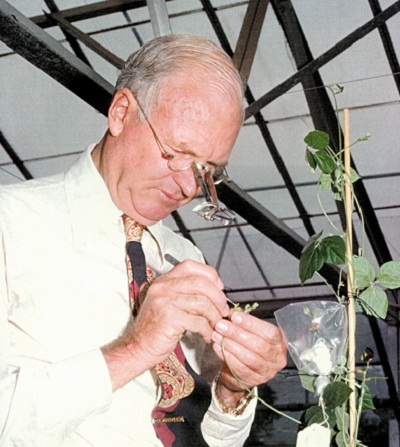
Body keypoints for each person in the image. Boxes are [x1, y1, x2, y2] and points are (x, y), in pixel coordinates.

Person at [0, 34, 287, 446]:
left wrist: (233, 386)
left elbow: (203, 438)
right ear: (120, 113)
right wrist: (135, 348)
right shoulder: (10, 225)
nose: (190, 185)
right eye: (175, 153)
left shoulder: (184, 258)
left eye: (209, 170)